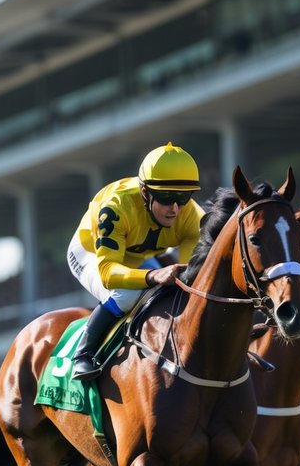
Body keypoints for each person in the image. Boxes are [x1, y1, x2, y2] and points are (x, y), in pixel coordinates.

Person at [65, 141, 205, 380]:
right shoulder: (116, 207)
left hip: (138, 257)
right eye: (166, 197)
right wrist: (152, 276)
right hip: (90, 254)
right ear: (145, 192)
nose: (174, 208)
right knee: (127, 294)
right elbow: (108, 273)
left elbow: (192, 278)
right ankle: (83, 355)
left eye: (183, 197)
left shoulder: (192, 215)